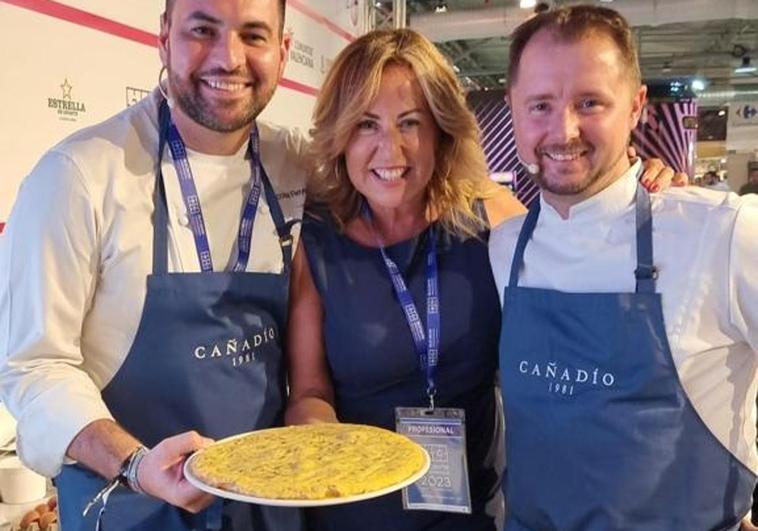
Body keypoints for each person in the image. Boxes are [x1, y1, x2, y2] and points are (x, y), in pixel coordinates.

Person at [284, 28, 678, 531]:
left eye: (411, 122)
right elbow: (309, 390)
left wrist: (645, 190)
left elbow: (587, 250)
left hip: (472, 511)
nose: (390, 149)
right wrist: (324, 441)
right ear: (339, 135)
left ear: (442, 130)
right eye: (366, 124)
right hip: (357, 511)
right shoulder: (317, 240)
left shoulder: (491, 218)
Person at [0, 0, 307, 529]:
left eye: (253, 36)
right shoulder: (78, 176)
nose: (228, 58)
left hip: (265, 511)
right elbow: (34, 367)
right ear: (164, 37)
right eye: (202, 30)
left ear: (282, 52)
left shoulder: (297, 164)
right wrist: (137, 464)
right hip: (128, 506)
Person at [489, 5, 758, 530]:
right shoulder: (503, 247)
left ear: (635, 107)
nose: (563, 130)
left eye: (589, 102)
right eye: (540, 105)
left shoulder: (724, 233)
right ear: (514, 110)